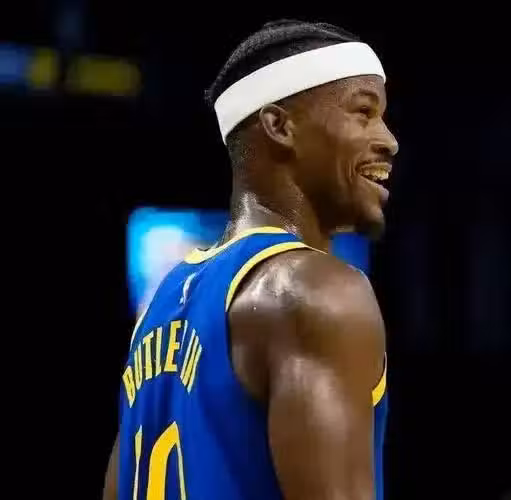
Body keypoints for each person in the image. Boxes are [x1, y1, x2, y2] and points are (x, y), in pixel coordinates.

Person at [102, 19, 399, 500]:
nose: (388, 139)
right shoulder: (316, 289)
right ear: (280, 126)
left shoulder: (157, 309)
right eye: (363, 113)